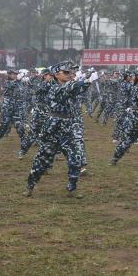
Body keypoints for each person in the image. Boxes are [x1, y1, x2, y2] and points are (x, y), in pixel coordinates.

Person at [24, 61, 91, 198]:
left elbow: (79, 88)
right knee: (42, 160)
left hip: (68, 128)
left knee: (76, 159)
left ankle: (72, 188)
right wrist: (82, 80)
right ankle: (30, 186)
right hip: (53, 128)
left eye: (70, 72)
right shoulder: (52, 87)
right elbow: (68, 90)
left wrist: (87, 80)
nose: (69, 74)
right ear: (56, 74)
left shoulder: (68, 85)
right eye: (66, 72)